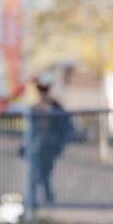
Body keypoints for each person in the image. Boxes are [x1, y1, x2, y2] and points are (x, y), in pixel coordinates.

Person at [28, 73, 73, 205]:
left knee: (42, 173)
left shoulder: (55, 108)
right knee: (38, 174)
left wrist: (58, 144)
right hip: (38, 146)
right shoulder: (36, 107)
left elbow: (66, 128)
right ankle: (39, 200)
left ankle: (42, 200)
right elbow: (32, 131)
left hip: (49, 146)